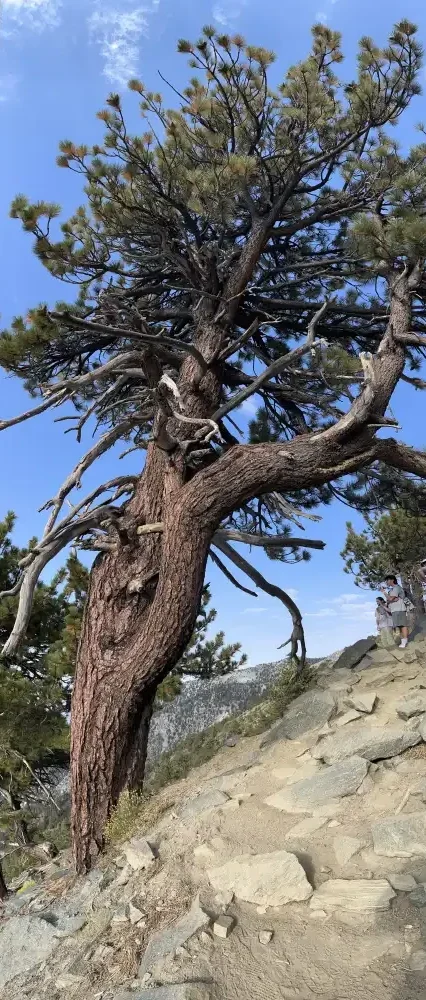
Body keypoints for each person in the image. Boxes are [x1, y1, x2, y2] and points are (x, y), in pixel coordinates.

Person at [381, 574, 409, 648]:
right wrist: (390, 599)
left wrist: (384, 592)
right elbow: (390, 600)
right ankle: (403, 641)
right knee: (399, 626)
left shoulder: (396, 588)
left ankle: (405, 641)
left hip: (399, 609)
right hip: (394, 610)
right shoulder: (392, 589)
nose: (386, 582)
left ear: (392, 580)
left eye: (387, 580)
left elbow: (390, 599)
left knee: (403, 625)